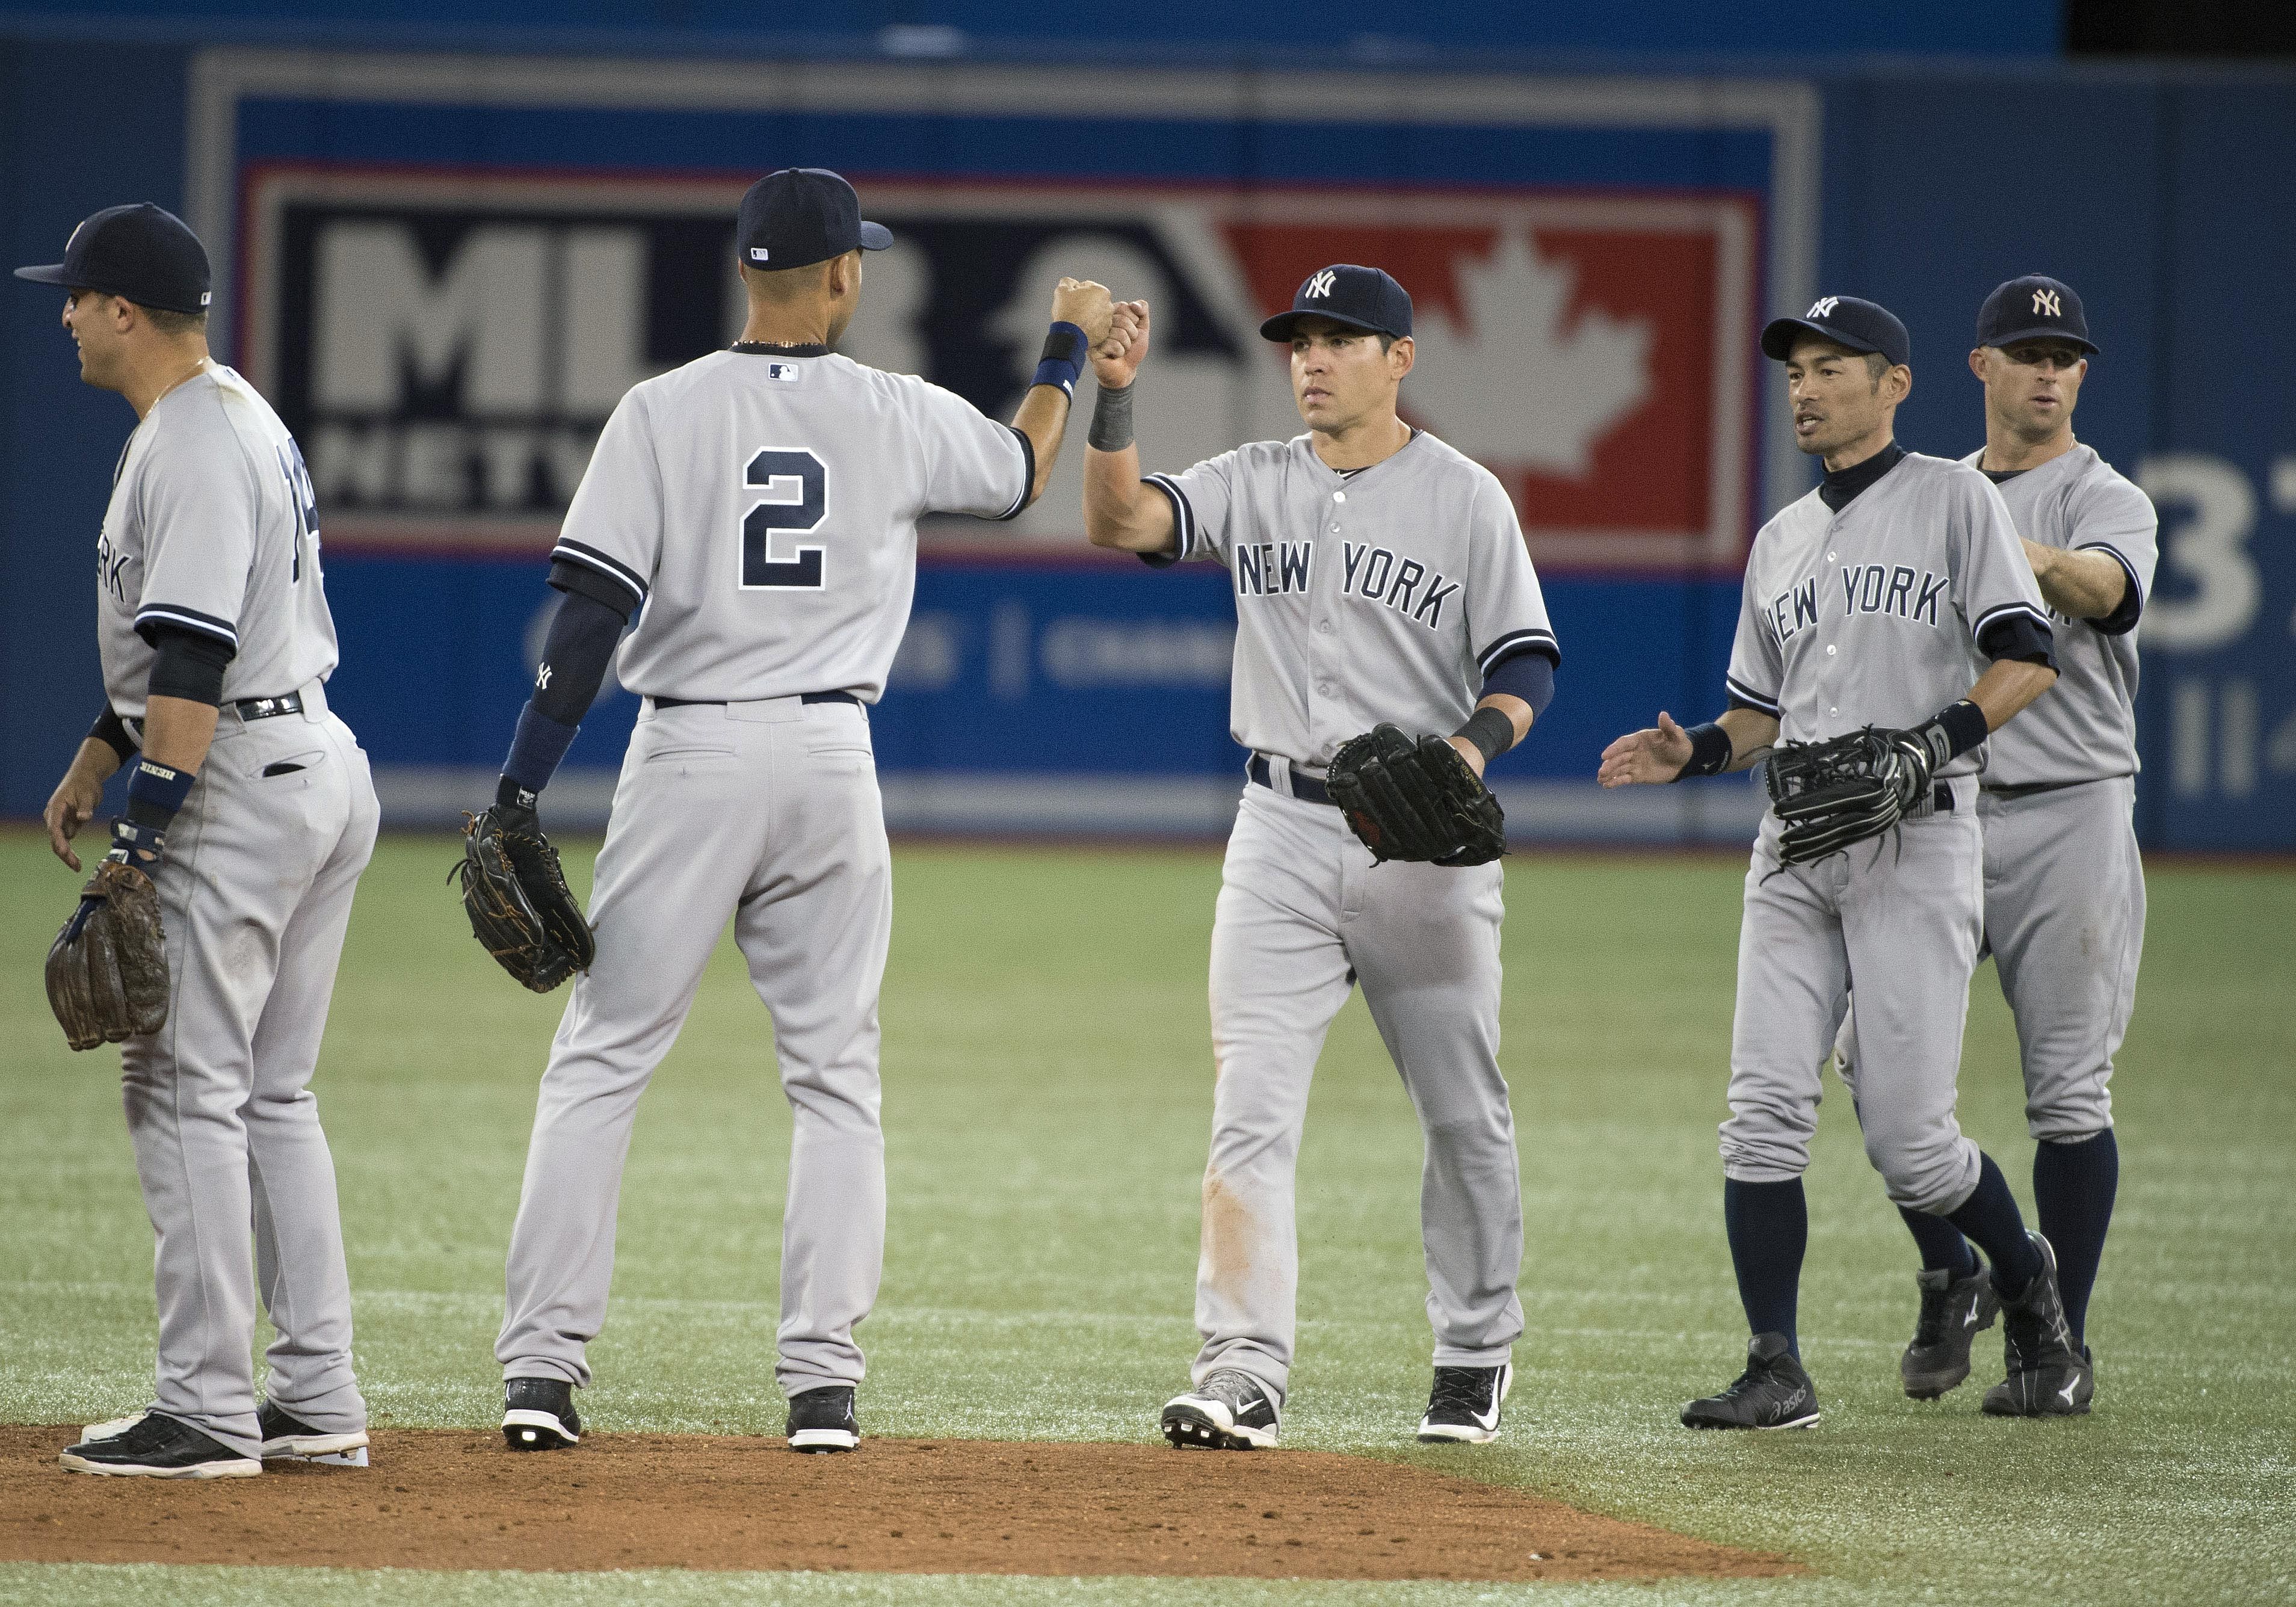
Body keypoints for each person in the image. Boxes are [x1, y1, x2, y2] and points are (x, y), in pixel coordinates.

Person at [481, 167, 1112, 1454]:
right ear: (844, 277)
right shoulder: (892, 409)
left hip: (691, 757)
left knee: (604, 1060)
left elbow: (589, 621)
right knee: (836, 1076)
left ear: (745, 271)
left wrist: (519, 782)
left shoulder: (660, 412)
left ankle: (541, 1375)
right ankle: (823, 1386)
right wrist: (1065, 346)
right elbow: (1022, 468)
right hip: (832, 759)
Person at [1083, 265, 1560, 1448]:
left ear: (1400, 359)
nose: (1312, 358)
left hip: (1420, 846)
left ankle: (1474, 1351)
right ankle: (1242, 1371)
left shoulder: (1465, 498)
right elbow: (1121, 519)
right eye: (1300, 339)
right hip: (1281, 829)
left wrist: (1468, 747)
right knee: (1249, 1108)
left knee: (1461, 1112)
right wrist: (1116, 400)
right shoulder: (1253, 480)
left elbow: (1528, 664)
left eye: (1341, 339)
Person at [1597, 295, 2087, 1429]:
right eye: (1796, 372)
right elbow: (1760, 711)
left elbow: (2029, 659)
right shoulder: (1781, 538)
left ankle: (2027, 1285)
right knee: (1761, 1113)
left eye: (1832, 368)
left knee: (1913, 1146)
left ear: (1896, 383)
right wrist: (1701, 751)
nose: (1807, 389)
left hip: (1919, 844)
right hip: (1795, 844)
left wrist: (1933, 744)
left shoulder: (1955, 500)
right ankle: (1778, 1367)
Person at [22, 204, 377, 1477]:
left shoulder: (194, 442)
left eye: (75, 295)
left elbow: (193, 654)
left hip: (240, 775)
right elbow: (186, 638)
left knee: (177, 1084)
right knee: (269, 1091)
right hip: (302, 753)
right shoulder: (225, 417)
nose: (61, 314)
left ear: (125, 310)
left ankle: (209, 1406)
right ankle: (317, 1393)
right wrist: (101, 748)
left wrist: (145, 831)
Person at [1836, 276, 2155, 1415]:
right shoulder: (1928, 495)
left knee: (2069, 1095)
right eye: (2026, 351)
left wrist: (1990, 540)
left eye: (2066, 354)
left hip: (2072, 811)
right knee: (1869, 1058)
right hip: (1949, 808)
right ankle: (1955, 1264)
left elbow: (2106, 592)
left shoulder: (2105, 495)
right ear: (1981, 368)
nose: (2049, 370)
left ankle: (2057, 1348)